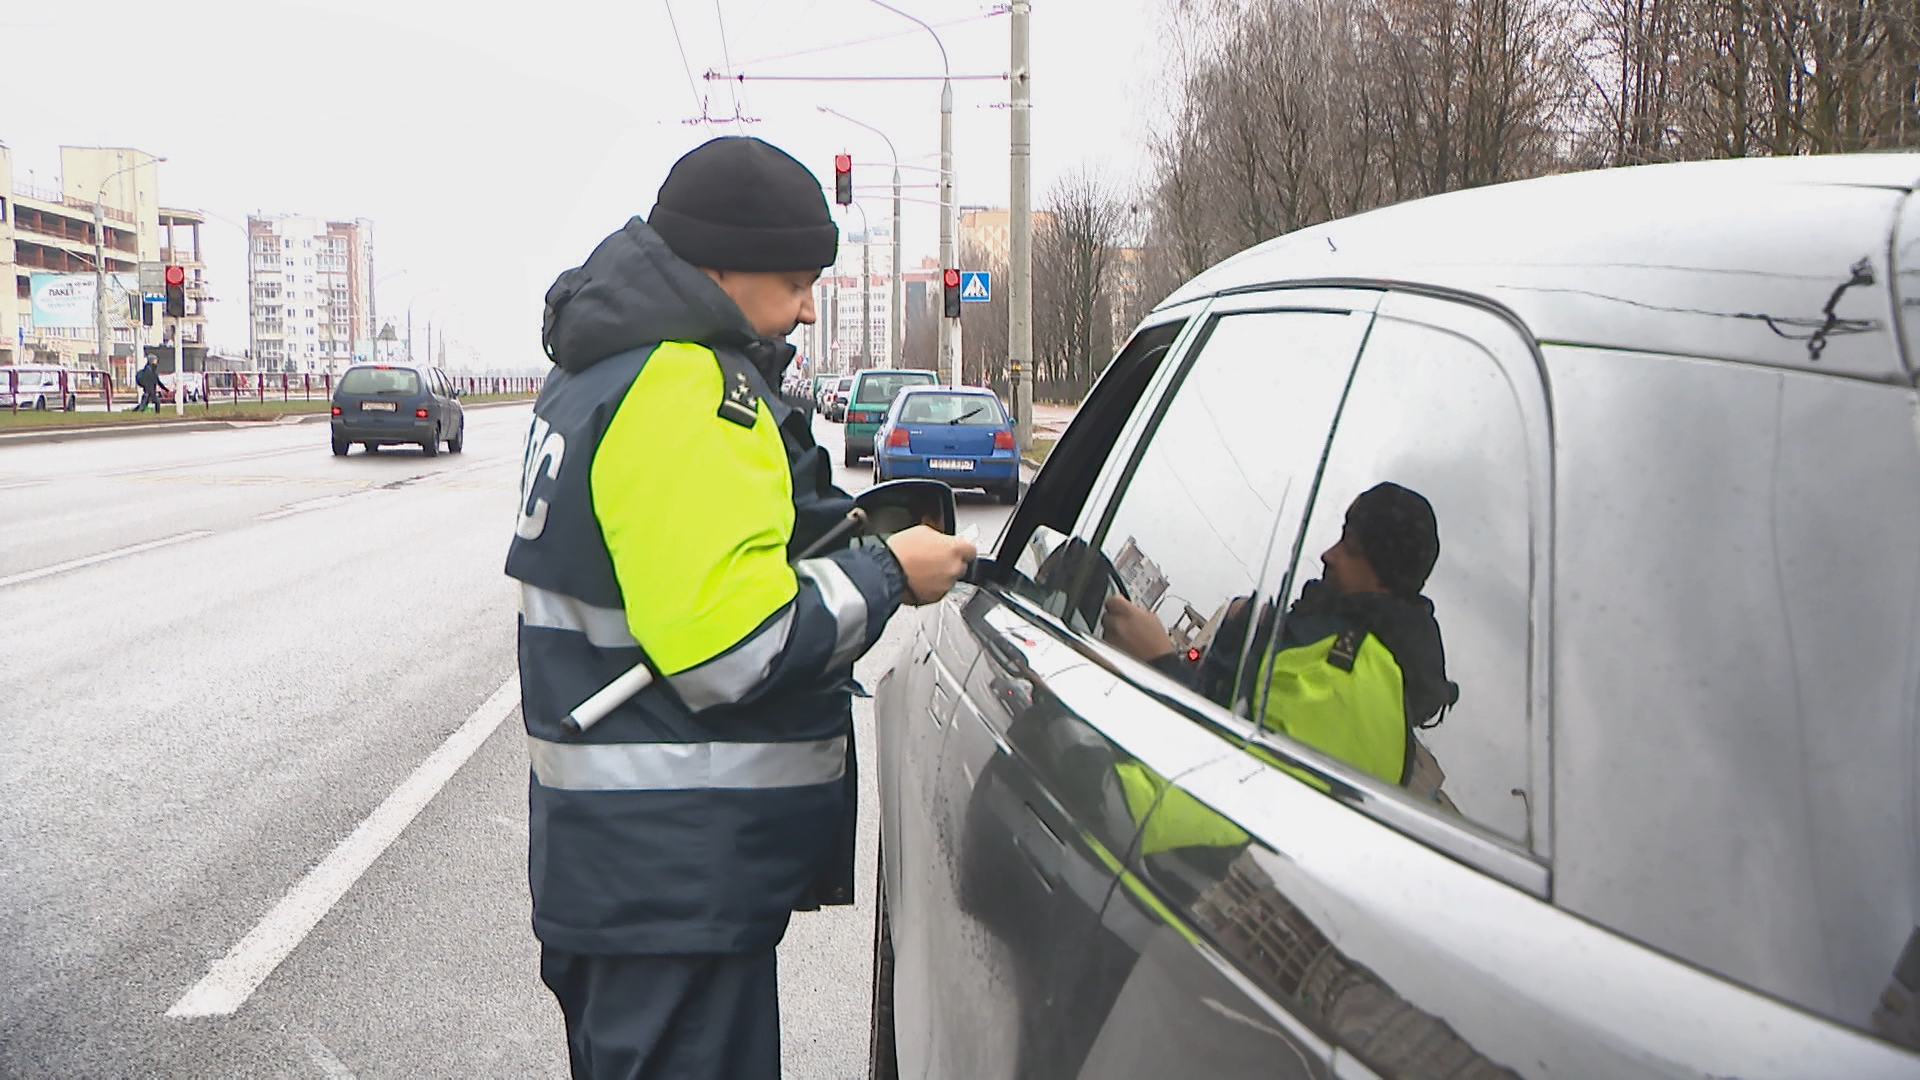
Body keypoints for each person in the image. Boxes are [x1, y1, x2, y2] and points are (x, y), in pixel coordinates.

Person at [504, 136, 975, 1080]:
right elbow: (736, 647)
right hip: (670, 880)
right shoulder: (684, 386)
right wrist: (890, 575)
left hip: (629, 871)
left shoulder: (602, 371)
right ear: (719, 266)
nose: (806, 306)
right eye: (797, 280)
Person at [1102, 482, 1457, 788]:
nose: (1327, 554)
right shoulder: (1362, 671)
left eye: (1350, 546)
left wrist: (1160, 664)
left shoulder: (1347, 677)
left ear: (1387, 576)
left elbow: (1228, 787)